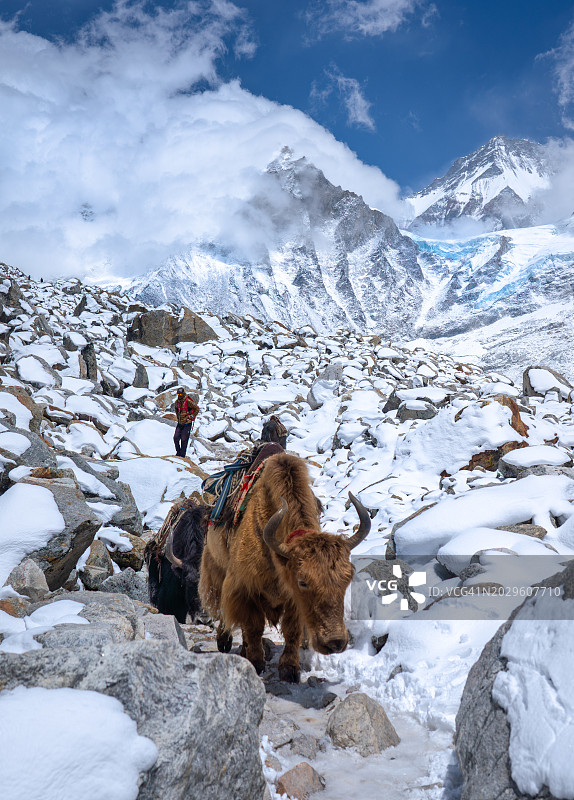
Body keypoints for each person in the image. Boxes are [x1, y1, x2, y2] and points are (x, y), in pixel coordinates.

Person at [173, 387, 199, 458]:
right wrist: (178, 416)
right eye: (178, 394)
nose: (179, 395)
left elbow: (196, 408)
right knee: (176, 438)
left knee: (184, 439)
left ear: (183, 393)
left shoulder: (188, 401)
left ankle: (182, 456)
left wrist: (192, 416)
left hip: (187, 423)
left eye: (180, 394)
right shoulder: (177, 402)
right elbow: (176, 409)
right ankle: (178, 453)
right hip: (180, 423)